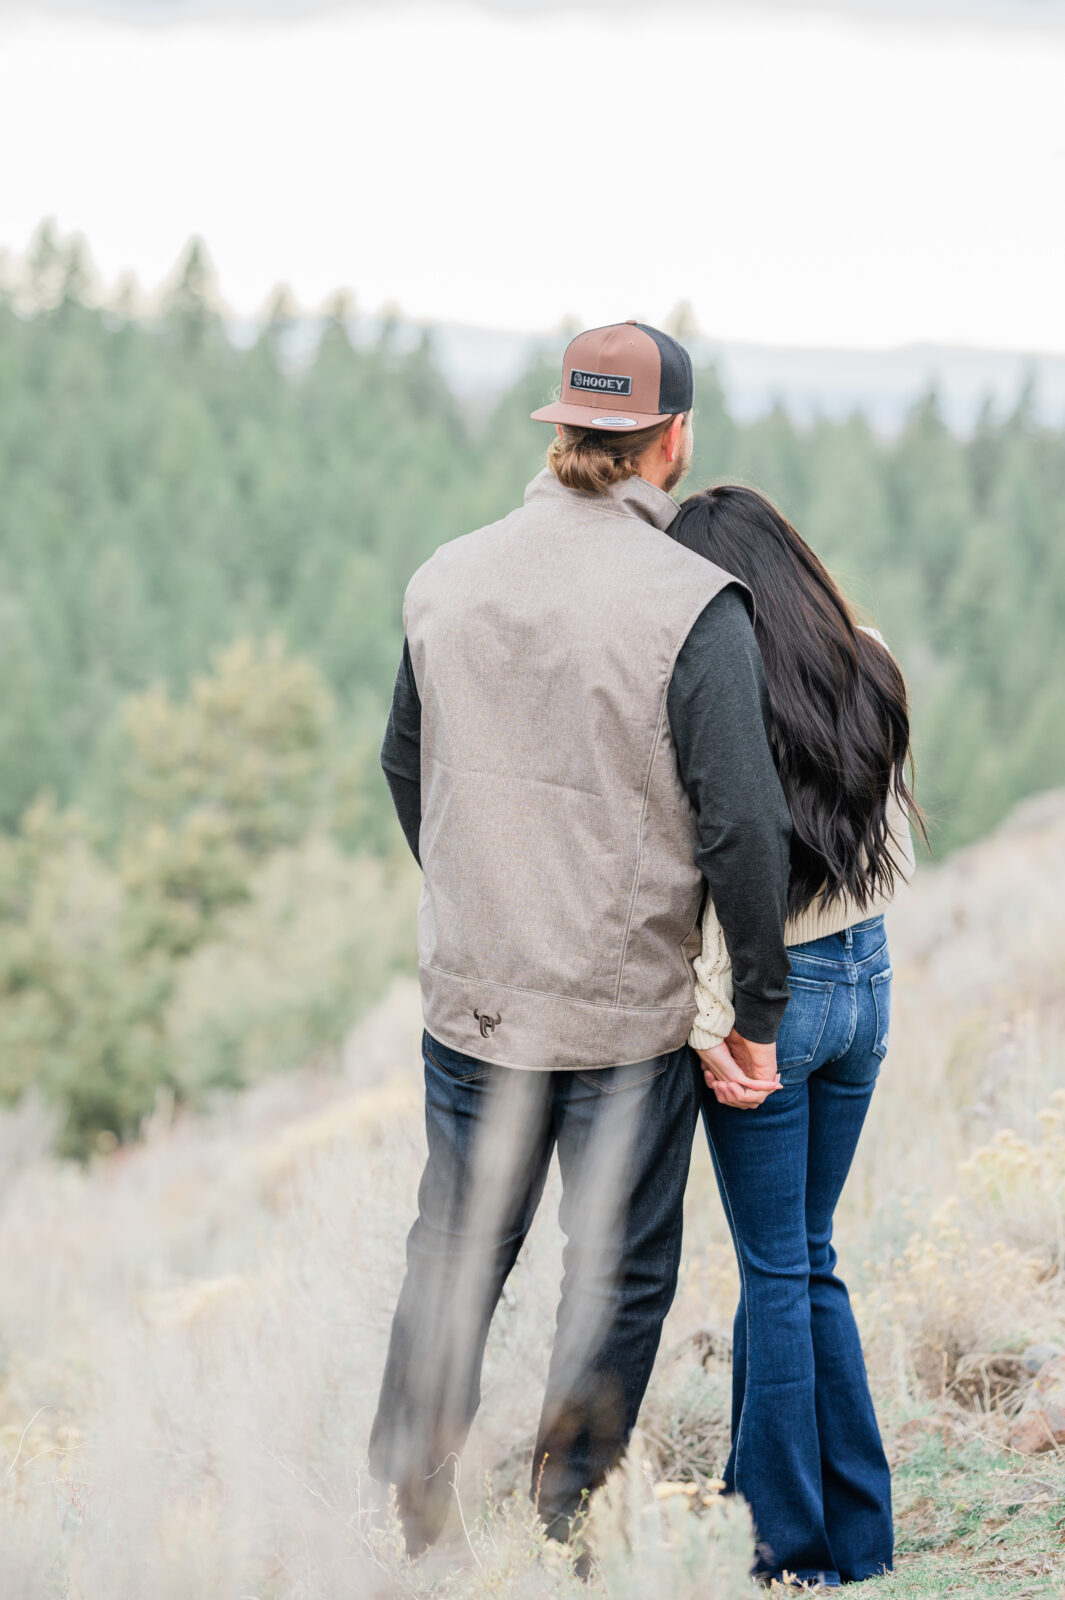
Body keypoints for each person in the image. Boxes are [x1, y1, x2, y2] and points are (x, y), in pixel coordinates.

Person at [368, 322, 793, 1558]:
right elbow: (746, 829)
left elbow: (406, 762)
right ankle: (563, 1522)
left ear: (560, 429)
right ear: (674, 440)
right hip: (620, 1015)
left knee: (453, 1249)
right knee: (613, 1269)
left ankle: (412, 1507)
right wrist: (756, 1009)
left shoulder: (448, 574)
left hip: (478, 1002)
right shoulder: (690, 604)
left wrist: (481, 894)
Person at [668, 483, 923, 1588]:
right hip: (868, 978)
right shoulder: (867, 655)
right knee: (809, 1259)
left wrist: (705, 1016)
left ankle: (787, 1552)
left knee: (778, 1267)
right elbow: (888, 846)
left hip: (776, 997)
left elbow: (725, 866)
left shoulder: (725, 684)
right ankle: (853, 1536)